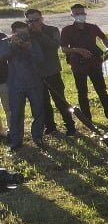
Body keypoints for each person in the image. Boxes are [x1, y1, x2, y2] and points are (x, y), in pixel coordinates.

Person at [60, 4, 108, 124]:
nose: (80, 15)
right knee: (82, 92)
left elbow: (103, 38)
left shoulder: (92, 27)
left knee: (102, 90)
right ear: (72, 15)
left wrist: (107, 47)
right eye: (77, 13)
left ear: (85, 13)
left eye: (82, 13)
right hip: (78, 65)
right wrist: (79, 50)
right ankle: (87, 118)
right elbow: (64, 49)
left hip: (94, 63)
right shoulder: (67, 30)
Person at [27, 9, 78, 137]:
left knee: (60, 101)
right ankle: (50, 126)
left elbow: (55, 46)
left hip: (52, 72)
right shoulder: (26, 33)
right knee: (44, 103)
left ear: (42, 18)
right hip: (37, 75)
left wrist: (40, 34)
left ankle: (70, 126)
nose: (34, 23)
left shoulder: (52, 30)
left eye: (36, 20)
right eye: (30, 20)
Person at [1, 20, 47, 151]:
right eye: (19, 34)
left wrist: (29, 47)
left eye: (25, 33)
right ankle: (16, 141)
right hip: (15, 84)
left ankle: (37, 137)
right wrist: (13, 45)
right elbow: (2, 57)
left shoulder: (33, 42)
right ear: (13, 33)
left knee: (38, 111)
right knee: (16, 113)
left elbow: (40, 59)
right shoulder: (7, 42)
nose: (22, 36)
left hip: (34, 82)